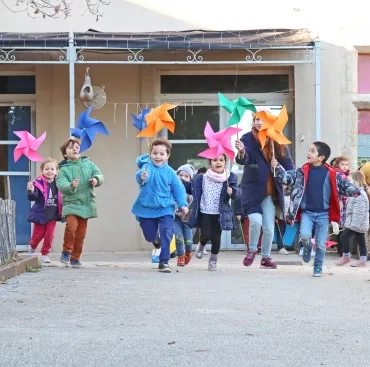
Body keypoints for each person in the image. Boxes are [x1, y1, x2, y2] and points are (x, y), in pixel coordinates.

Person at [272, 141, 360, 277]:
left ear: (321, 157)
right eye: (309, 150)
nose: (308, 153)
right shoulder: (302, 172)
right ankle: (306, 246)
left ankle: (317, 266)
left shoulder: (332, 174)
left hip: (323, 214)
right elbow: (286, 178)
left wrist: (357, 192)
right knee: (305, 236)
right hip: (307, 213)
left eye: (312, 151)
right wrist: (277, 167)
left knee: (320, 243)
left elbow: (346, 186)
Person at [235, 113, 294, 269]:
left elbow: (289, 167)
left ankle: (266, 257)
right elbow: (243, 158)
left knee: (268, 227)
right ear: (253, 122)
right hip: (252, 189)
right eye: (257, 119)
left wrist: (278, 166)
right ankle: (252, 250)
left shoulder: (277, 141)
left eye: (263, 120)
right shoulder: (248, 138)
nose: (260, 122)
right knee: (255, 221)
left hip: (270, 192)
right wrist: (242, 151)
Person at [131, 138, 188, 273]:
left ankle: (164, 262)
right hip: (147, 207)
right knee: (150, 236)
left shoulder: (170, 173)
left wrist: (182, 204)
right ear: (150, 153)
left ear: (167, 156)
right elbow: (140, 176)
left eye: (162, 154)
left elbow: (178, 189)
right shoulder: (146, 167)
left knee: (167, 232)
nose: (158, 156)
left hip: (165, 207)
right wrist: (142, 177)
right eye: (155, 153)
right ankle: (155, 238)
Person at [56, 138, 104, 267]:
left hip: (86, 204)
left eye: (77, 147)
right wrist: (70, 185)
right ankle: (66, 251)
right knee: (71, 227)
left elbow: (99, 175)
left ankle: (75, 257)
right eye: (71, 147)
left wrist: (96, 179)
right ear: (65, 154)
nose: (75, 149)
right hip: (71, 203)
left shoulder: (88, 164)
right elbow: (61, 185)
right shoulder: (63, 170)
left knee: (80, 234)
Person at [188, 154, 240, 271]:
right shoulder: (202, 178)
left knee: (216, 238)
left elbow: (238, 193)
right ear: (210, 163)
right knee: (205, 234)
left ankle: (213, 261)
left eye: (221, 160)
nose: (218, 162)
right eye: (215, 160)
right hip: (205, 211)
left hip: (219, 213)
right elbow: (192, 188)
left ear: (225, 163)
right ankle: (201, 246)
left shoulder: (229, 178)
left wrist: (233, 192)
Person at [27, 158, 63, 263]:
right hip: (40, 215)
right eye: (46, 169)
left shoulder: (59, 183)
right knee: (37, 235)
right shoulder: (37, 183)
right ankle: (32, 249)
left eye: (52, 169)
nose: (49, 171)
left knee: (49, 235)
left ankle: (45, 254)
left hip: (53, 215)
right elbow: (32, 198)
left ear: (56, 171)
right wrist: (31, 191)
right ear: (42, 170)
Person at [335, 171, 369, 267]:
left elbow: (359, 212)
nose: (348, 184)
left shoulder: (360, 195)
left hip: (356, 224)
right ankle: (363, 259)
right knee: (361, 240)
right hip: (357, 223)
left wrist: (353, 225)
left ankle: (346, 256)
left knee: (344, 236)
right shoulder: (355, 194)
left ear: (356, 182)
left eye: (349, 181)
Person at [174, 164, 195, 266]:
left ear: (190, 180)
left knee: (188, 239)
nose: (182, 178)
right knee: (178, 236)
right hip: (176, 217)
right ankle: (180, 255)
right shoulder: (173, 189)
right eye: (180, 175)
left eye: (186, 176)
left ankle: (188, 252)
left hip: (188, 218)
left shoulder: (191, 192)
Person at [193, 167, 209, 255]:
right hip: (196, 209)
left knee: (204, 230)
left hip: (205, 209)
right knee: (192, 229)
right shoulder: (196, 183)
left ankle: (202, 247)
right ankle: (186, 246)